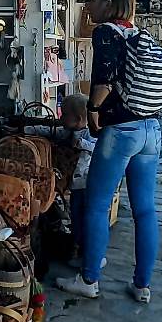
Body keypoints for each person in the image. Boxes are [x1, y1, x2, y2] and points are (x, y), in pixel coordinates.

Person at [58, 0, 162, 306]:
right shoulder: (141, 35)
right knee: (145, 210)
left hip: (121, 131)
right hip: (151, 129)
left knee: (97, 205)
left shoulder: (106, 33)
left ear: (108, 3)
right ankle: (142, 285)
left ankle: (89, 279)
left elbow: (105, 76)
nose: (87, 6)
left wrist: (94, 110)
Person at [58, 93, 96, 255]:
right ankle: (78, 246)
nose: (61, 118)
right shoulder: (69, 132)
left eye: (65, 115)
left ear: (79, 119)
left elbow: (96, 147)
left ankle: (85, 249)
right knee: (75, 215)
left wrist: (81, 143)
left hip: (86, 184)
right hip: (75, 185)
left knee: (83, 217)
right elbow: (52, 132)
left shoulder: (90, 133)